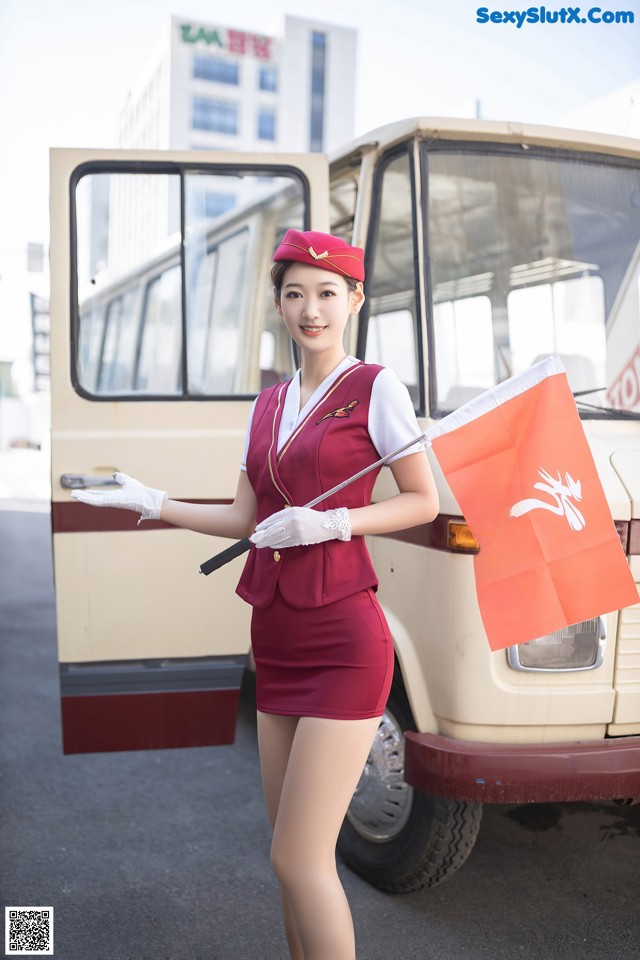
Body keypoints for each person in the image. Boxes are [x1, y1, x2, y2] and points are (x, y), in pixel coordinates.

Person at [73, 229, 439, 960]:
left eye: (328, 294)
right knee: (293, 861)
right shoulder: (268, 403)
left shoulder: (375, 387)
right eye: (296, 294)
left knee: (296, 861)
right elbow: (246, 517)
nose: (312, 310)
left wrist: (331, 519)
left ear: (355, 300)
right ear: (278, 303)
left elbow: (423, 500)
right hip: (276, 636)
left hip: (344, 638)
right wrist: (154, 502)